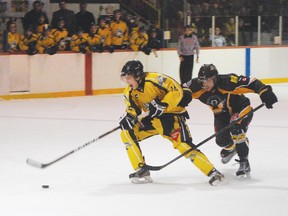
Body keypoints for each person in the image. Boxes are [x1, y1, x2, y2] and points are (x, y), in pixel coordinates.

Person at [119, 60, 224, 186]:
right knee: (127, 132)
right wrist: (129, 117)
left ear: (137, 76)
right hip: (154, 121)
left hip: (172, 118)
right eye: (125, 78)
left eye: (129, 78)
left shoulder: (155, 79)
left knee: (183, 145)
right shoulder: (129, 91)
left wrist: (163, 104)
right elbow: (133, 108)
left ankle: (212, 172)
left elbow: (177, 90)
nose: (127, 82)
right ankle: (141, 169)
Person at [183, 64, 278, 178]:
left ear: (214, 78)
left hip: (241, 109)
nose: (204, 84)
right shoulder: (195, 86)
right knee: (221, 141)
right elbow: (178, 90)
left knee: (236, 129)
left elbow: (250, 81)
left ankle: (244, 161)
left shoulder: (227, 81)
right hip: (221, 115)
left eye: (207, 80)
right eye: (202, 81)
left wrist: (264, 91)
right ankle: (233, 147)